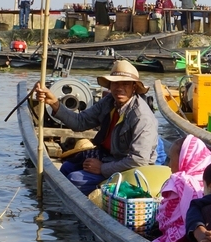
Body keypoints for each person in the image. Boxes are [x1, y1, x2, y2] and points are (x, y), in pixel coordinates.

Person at [34, 60, 158, 195]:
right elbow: (80, 122)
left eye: (125, 84)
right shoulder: (109, 102)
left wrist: (103, 168)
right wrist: (54, 103)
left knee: (75, 180)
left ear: (134, 87)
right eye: (115, 83)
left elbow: (139, 160)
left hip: (129, 169)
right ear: (110, 85)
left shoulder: (142, 117)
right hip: (107, 157)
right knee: (67, 168)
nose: (119, 88)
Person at [153, 135, 211, 242]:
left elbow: (165, 215)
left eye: (171, 159)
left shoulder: (178, 181)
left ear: (183, 159)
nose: (169, 165)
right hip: (198, 239)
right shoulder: (208, 179)